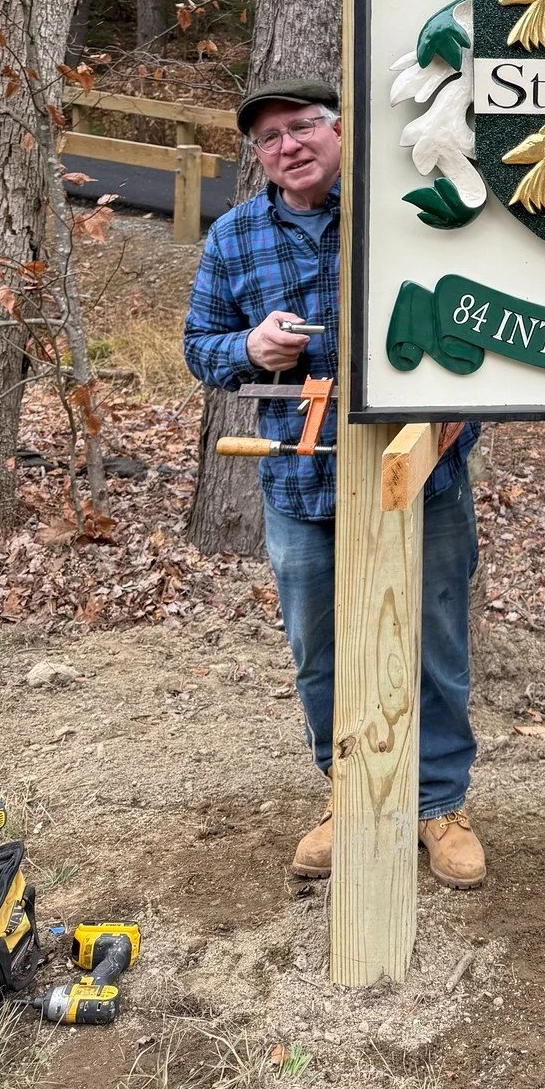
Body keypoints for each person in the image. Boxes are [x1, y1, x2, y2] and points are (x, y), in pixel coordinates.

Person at [183, 79, 486, 889]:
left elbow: (483, 318)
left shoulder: (413, 211)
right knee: (322, 655)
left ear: (340, 129)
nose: (289, 145)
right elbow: (199, 347)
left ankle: (439, 804)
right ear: (258, 156)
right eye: (270, 137)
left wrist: (460, 416)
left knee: (438, 649)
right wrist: (249, 348)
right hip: (301, 485)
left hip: (426, 475)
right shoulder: (236, 235)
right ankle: (349, 790)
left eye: (304, 126)